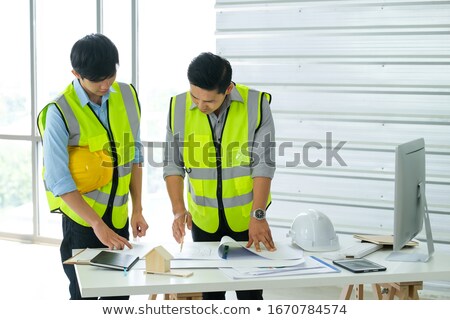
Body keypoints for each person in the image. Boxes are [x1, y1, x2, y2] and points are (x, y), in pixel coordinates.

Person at [37, 33, 148, 300]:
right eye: (97, 80)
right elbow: (59, 180)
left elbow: (133, 155)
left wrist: (138, 209)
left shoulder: (127, 95)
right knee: (84, 298)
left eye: (109, 75)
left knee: (119, 296)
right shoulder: (59, 112)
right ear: (76, 73)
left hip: (119, 218)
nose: (105, 84)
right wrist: (96, 224)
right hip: (82, 223)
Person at [164, 52, 276, 300]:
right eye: (195, 96)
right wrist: (178, 210)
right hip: (203, 219)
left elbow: (263, 165)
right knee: (211, 295)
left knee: (249, 294)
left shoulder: (256, 105)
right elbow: (173, 164)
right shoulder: (178, 107)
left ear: (228, 89)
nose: (200, 105)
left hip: (247, 218)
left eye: (209, 101)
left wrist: (258, 214)